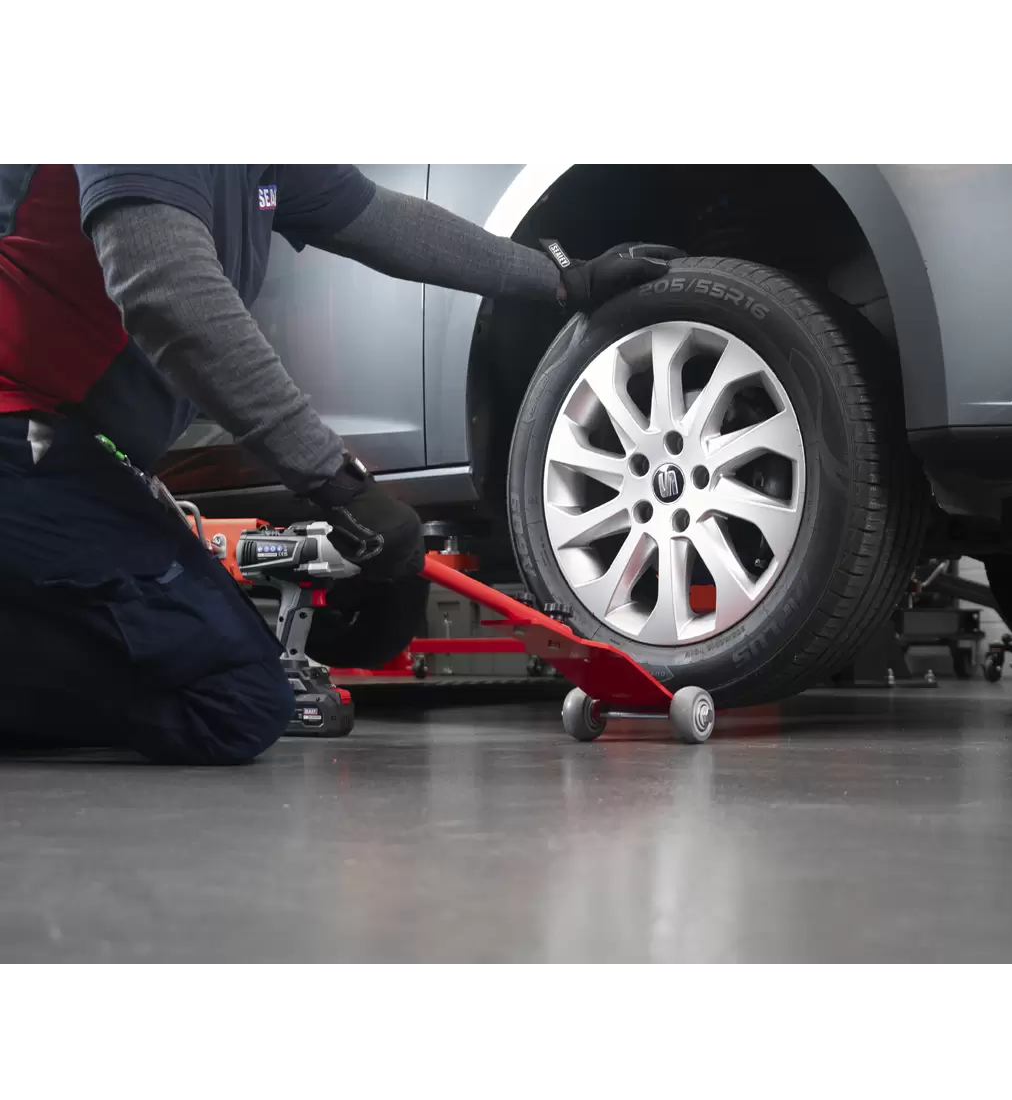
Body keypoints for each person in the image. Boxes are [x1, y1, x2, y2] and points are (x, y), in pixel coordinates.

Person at [0, 165, 677, 763]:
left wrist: (561, 280)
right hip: (20, 437)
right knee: (234, 701)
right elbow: (168, 289)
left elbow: (384, 223)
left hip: (65, 454)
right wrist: (336, 484)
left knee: (227, 676)